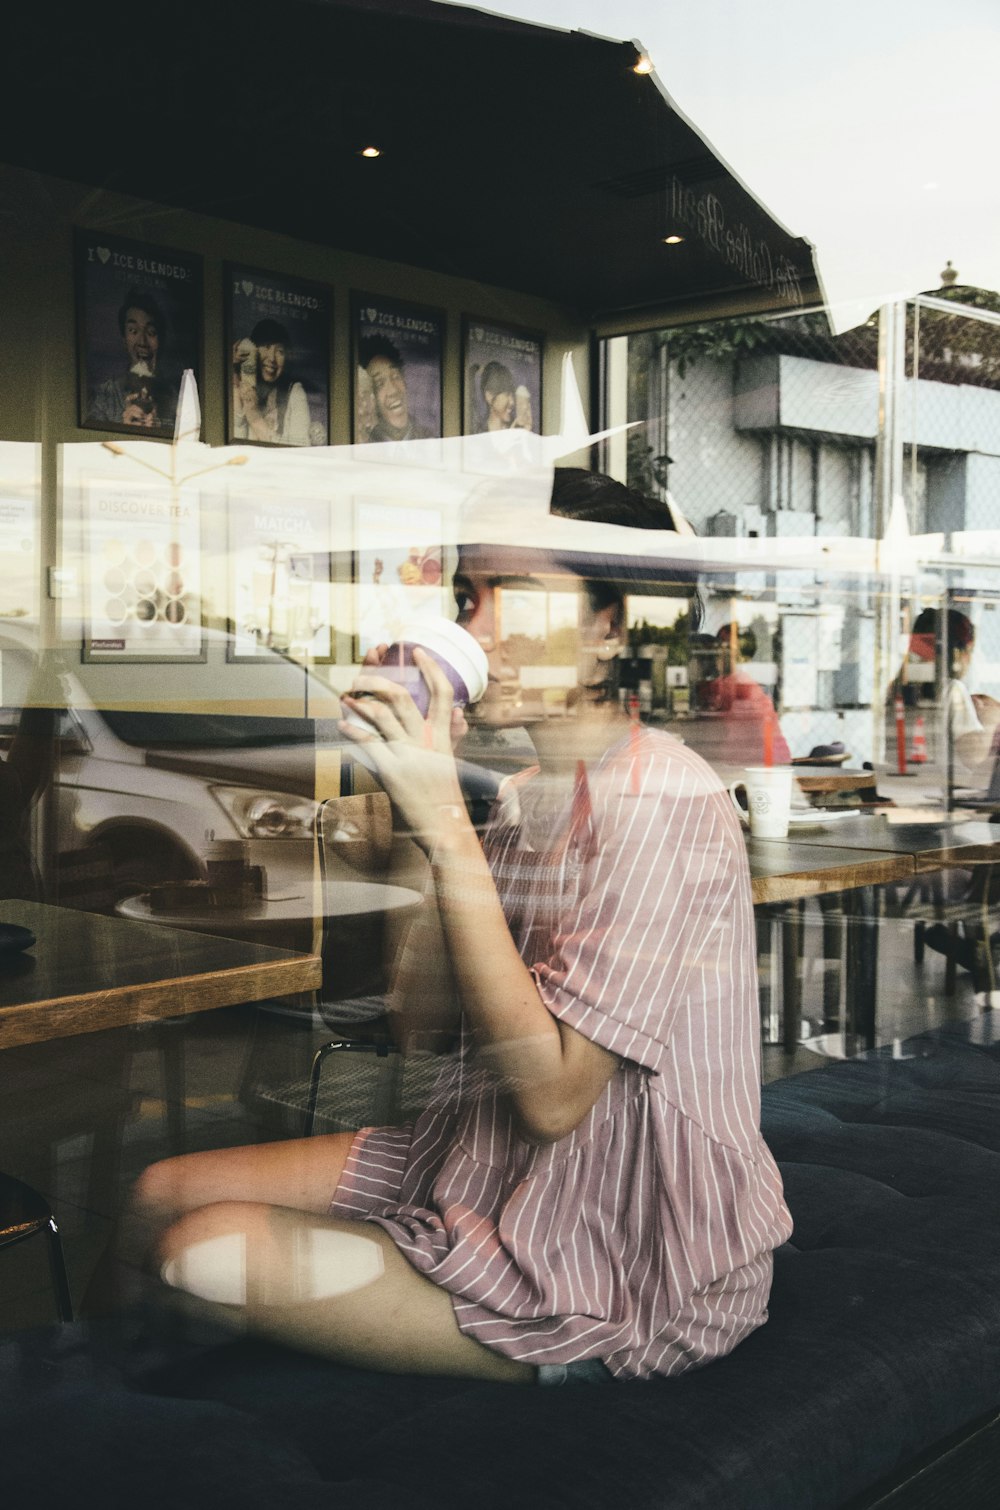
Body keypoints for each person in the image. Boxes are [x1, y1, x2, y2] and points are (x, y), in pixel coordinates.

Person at [133, 468, 791, 1384]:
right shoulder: (521, 795)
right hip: (477, 1160)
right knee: (158, 1192)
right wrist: (421, 813)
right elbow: (419, 1025)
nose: (477, 628)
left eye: (515, 596)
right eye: (468, 596)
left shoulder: (665, 798)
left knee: (204, 1246)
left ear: (612, 629)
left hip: (617, 1243)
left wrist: (447, 828)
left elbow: (557, 1101)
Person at [898, 607, 1000, 779]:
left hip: (914, 785)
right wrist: (992, 717)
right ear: (959, 653)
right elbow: (974, 756)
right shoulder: (952, 690)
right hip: (949, 791)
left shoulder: (900, 688)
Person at [703, 622, 791, 766]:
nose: (720, 652)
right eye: (719, 646)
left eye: (727, 648)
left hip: (755, 766)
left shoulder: (739, 685)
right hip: (765, 761)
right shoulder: (738, 682)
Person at [90, 288, 177, 431]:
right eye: (133, 331)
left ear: (160, 340)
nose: (142, 341)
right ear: (124, 339)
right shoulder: (104, 397)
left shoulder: (176, 399)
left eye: (151, 332)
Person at [232, 318, 311, 445]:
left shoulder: (294, 392)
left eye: (280, 351)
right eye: (266, 347)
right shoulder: (242, 387)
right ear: (254, 351)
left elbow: (301, 450)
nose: (272, 358)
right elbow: (234, 445)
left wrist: (255, 418)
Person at [358, 335, 433, 442]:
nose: (393, 390)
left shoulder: (431, 440)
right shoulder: (363, 445)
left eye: (396, 376)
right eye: (379, 384)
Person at [479, 360, 516, 431]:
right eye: (507, 394)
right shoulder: (478, 433)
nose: (512, 402)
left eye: (512, 395)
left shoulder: (518, 431)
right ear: (489, 396)